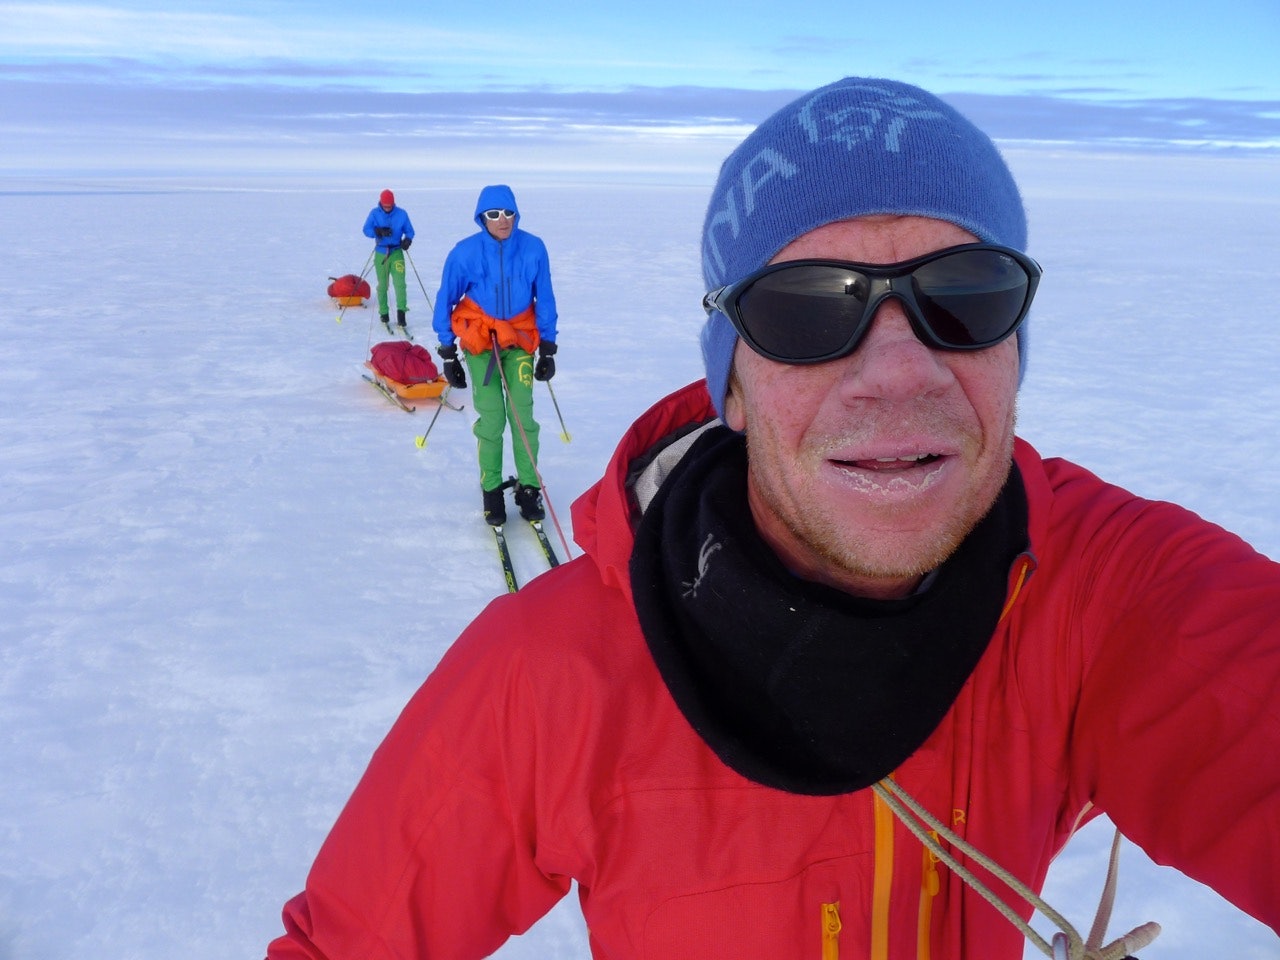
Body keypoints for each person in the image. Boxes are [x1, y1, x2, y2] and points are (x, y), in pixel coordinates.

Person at [267, 78, 1280, 959]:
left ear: (1015, 343)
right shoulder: (555, 675)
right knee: (496, 426)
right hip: (482, 346)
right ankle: (499, 482)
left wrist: (551, 337)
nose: (897, 372)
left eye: (964, 295)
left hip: (522, 341)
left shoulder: (1098, 598)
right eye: (805, 309)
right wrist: (454, 342)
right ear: (732, 384)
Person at [431, 184, 559, 526]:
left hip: (518, 339)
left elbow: (544, 296)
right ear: (481, 218)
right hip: (480, 342)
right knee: (491, 419)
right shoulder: (464, 254)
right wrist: (448, 352)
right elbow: (446, 300)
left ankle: (528, 488)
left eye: (508, 213)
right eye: (493, 214)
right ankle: (491, 490)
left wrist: (548, 345)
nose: (502, 220)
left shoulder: (534, 248)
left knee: (523, 418)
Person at [362, 188, 415, 328]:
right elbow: (366, 230)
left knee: (400, 284)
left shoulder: (402, 214)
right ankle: (384, 313)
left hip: (397, 252)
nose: (387, 208)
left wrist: (407, 240)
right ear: (381, 203)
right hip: (381, 253)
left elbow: (410, 231)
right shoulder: (374, 214)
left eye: (390, 206)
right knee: (383, 285)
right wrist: (377, 231)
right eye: (385, 206)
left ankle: (401, 315)